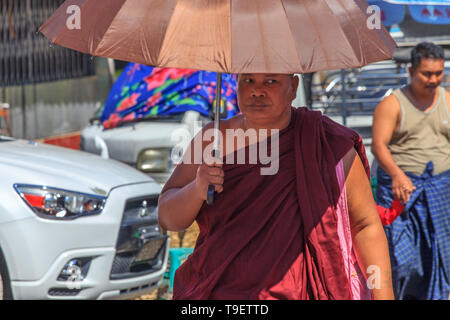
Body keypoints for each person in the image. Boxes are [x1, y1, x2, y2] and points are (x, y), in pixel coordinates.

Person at [158, 73, 394, 300]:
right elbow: (168, 218)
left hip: (301, 290)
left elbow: (365, 226)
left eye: (271, 81)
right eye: (248, 80)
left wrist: (383, 295)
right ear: (236, 83)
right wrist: (197, 188)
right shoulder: (214, 140)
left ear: (293, 86)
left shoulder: (329, 143)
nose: (257, 91)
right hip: (218, 288)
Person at [371, 42, 450, 300]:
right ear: (411, 71)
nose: (433, 79)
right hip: (404, 194)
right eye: (427, 73)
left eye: (438, 73)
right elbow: (378, 145)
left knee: (440, 255)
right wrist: (396, 174)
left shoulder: (448, 100)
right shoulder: (393, 104)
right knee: (403, 259)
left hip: (441, 192)